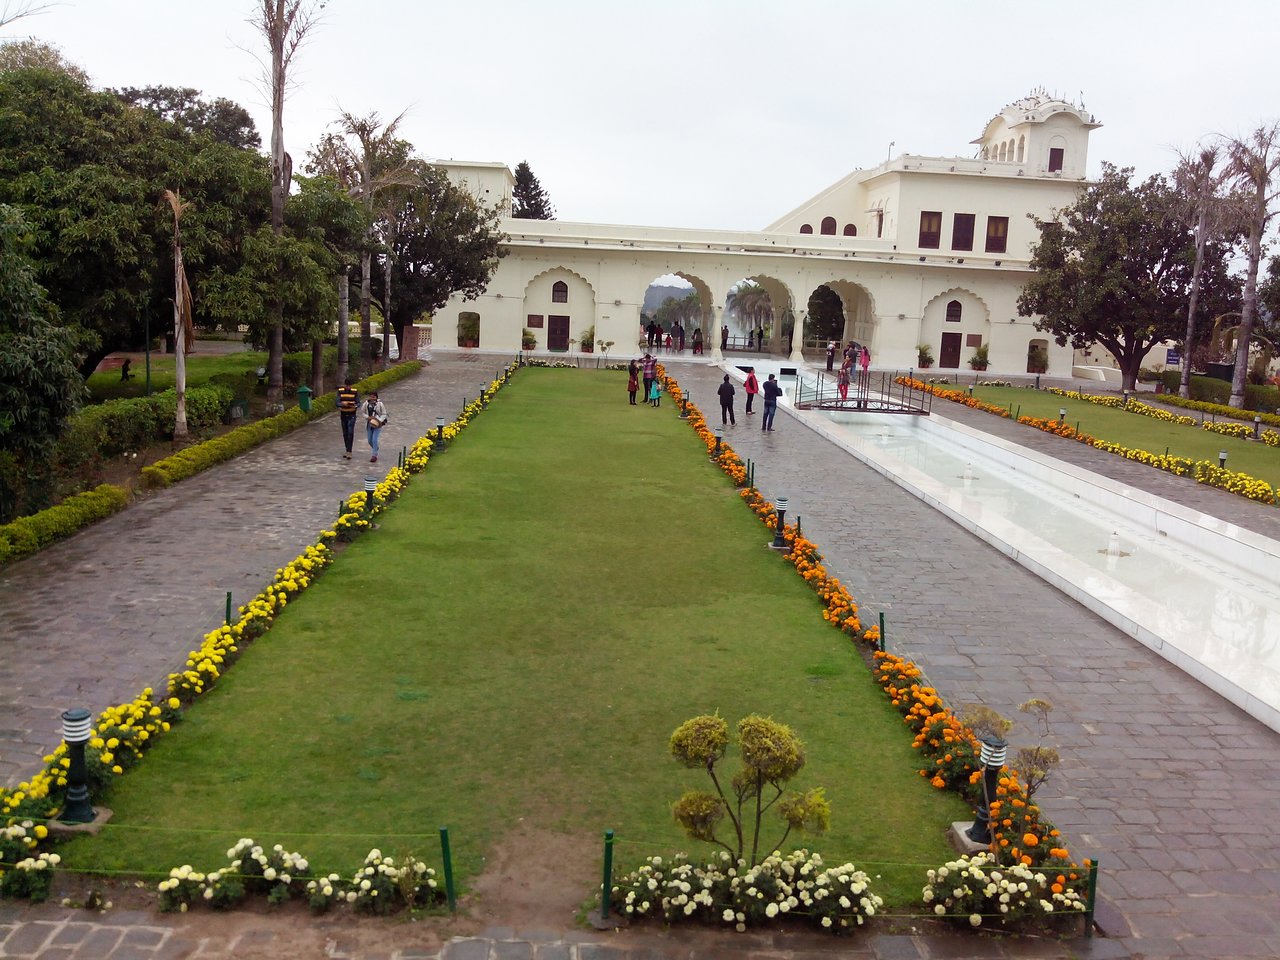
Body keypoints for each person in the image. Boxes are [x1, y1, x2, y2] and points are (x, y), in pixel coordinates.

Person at [337, 377, 359, 459]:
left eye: (349, 386)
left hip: (352, 414)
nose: (348, 387)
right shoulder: (340, 392)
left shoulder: (355, 392)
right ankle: (347, 449)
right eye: (347, 385)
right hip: (343, 414)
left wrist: (355, 405)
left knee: (350, 432)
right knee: (345, 433)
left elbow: (358, 402)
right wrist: (343, 404)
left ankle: (349, 451)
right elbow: (337, 402)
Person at [364, 390, 388, 463]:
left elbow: (384, 414)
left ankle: (374, 455)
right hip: (369, 424)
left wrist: (379, 420)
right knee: (369, 440)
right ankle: (375, 448)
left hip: (377, 424)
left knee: (374, 439)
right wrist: (367, 417)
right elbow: (363, 412)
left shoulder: (380, 404)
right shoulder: (366, 404)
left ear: (376, 397)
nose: (372, 398)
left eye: (373, 397)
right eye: (371, 396)